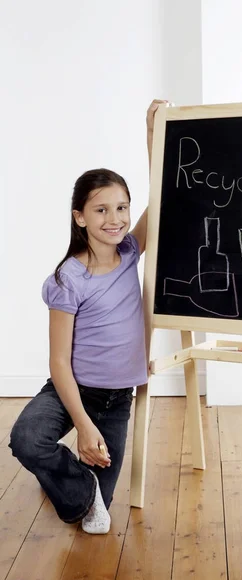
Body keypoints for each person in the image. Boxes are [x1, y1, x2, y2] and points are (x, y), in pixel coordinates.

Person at [9, 99, 168, 534]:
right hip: (71, 390)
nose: (114, 219)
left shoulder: (131, 252)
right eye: (101, 210)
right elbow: (59, 362)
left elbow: (163, 195)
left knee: (96, 516)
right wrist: (81, 425)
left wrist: (153, 135)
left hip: (117, 399)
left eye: (121, 208)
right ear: (80, 217)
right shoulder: (68, 279)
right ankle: (69, 478)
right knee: (26, 439)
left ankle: (70, 483)